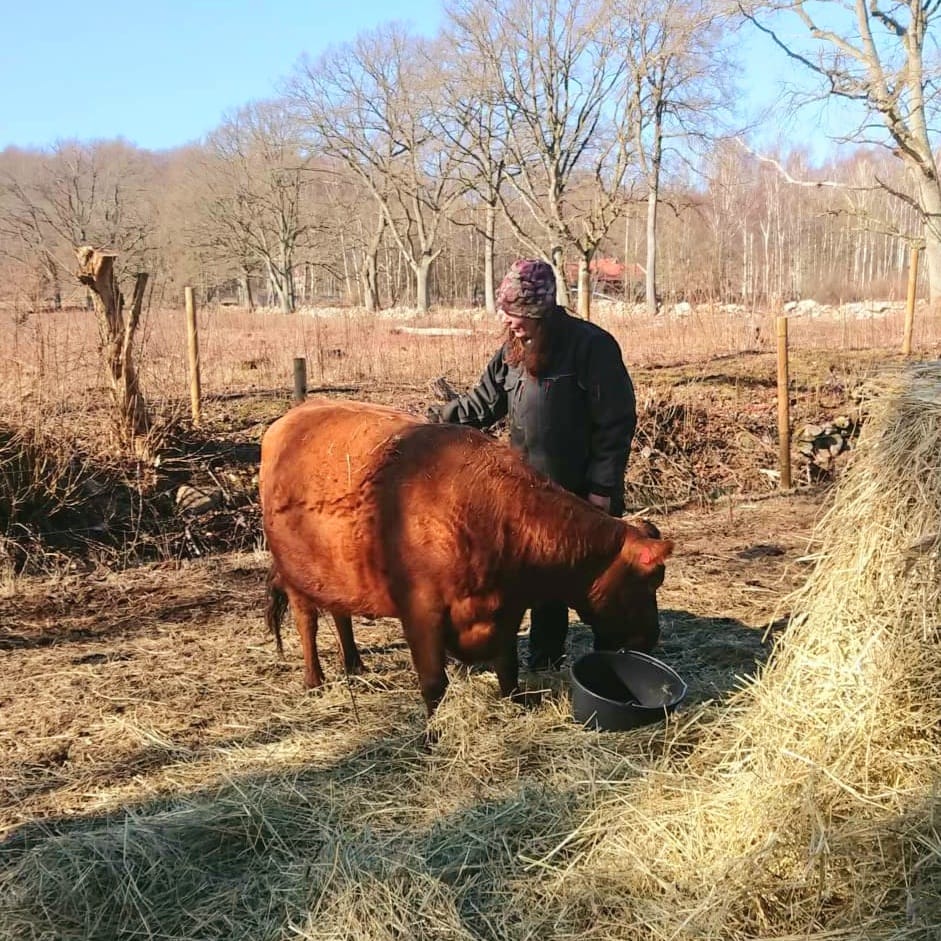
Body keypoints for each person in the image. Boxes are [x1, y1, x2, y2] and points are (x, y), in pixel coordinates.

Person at [427, 258, 637, 670]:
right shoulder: (512, 352)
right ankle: (545, 664)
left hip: (580, 494)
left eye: (519, 315)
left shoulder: (591, 347)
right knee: (539, 586)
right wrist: (437, 420)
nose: (510, 322)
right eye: (506, 313)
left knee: (596, 587)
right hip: (529, 498)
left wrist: (602, 489)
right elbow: (483, 403)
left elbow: (616, 422)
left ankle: (616, 662)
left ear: (543, 313)